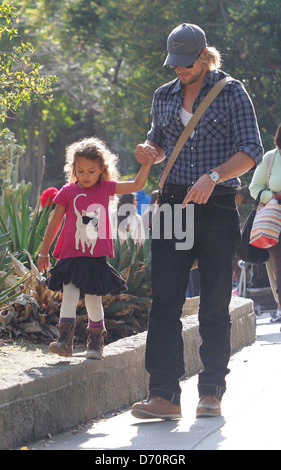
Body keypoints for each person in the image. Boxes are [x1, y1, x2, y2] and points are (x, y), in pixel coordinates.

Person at [131, 23, 263, 420]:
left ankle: (211, 392)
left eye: (187, 63)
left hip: (218, 204)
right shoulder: (163, 95)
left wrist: (215, 176)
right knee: (165, 301)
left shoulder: (232, 91)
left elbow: (251, 151)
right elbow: (159, 139)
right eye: (175, 64)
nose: (180, 70)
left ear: (204, 55)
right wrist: (148, 149)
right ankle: (164, 394)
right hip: (172, 204)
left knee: (215, 303)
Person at [37, 137, 152, 359]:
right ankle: (64, 341)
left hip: (95, 257)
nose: (85, 176)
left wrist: (146, 163)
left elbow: (137, 185)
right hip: (71, 255)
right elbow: (55, 222)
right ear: (74, 169)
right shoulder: (67, 192)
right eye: (80, 171)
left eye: (91, 171)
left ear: (101, 169)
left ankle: (96, 343)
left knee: (92, 298)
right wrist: (44, 252)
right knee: (69, 294)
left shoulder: (106, 188)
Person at [249, 124, 281, 321]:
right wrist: (274, 196)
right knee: (280, 267)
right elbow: (254, 188)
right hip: (276, 222)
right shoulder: (271, 158)